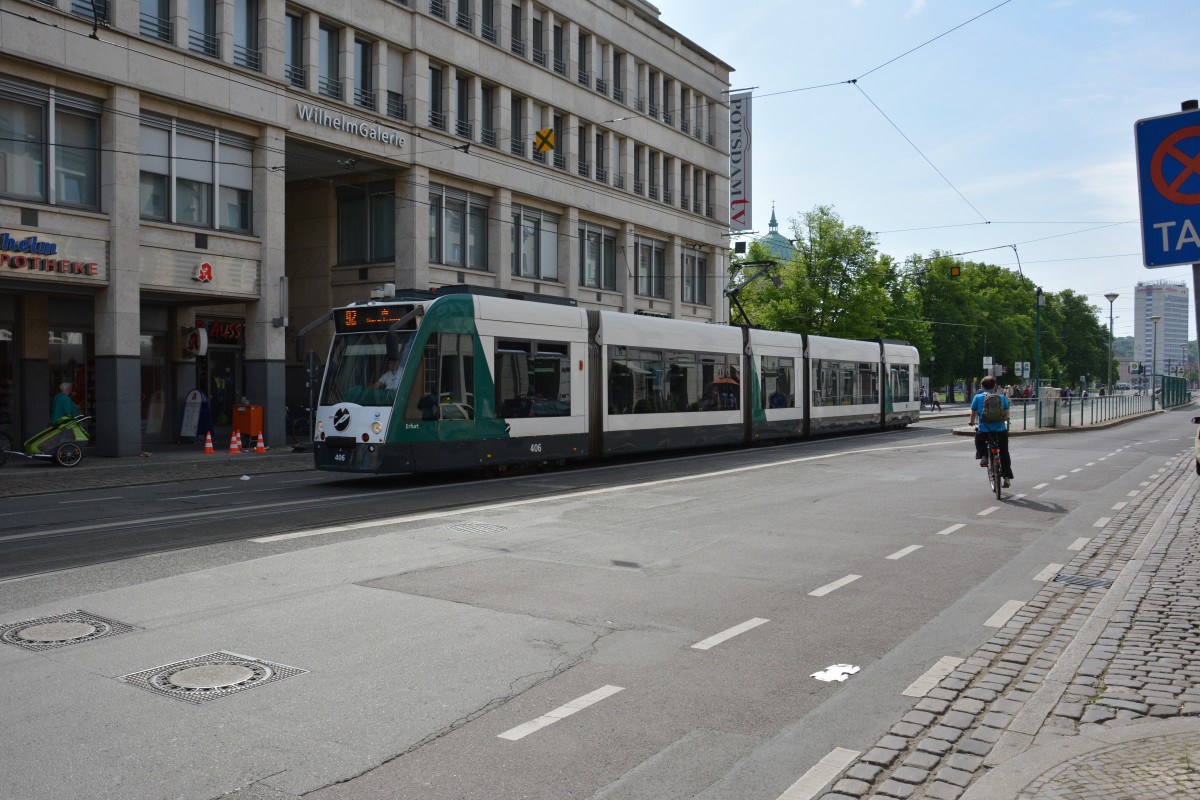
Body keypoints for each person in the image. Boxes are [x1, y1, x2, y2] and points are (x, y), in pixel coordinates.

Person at [970, 375, 1013, 487]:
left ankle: (984, 456)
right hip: (1000, 430)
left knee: (978, 439)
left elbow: (973, 412)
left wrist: (972, 422)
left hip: (984, 430)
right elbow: (1007, 411)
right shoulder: (1001, 397)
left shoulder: (978, 397)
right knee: (1004, 453)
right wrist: (1006, 418)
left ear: (982, 386)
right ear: (994, 386)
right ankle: (1007, 477)